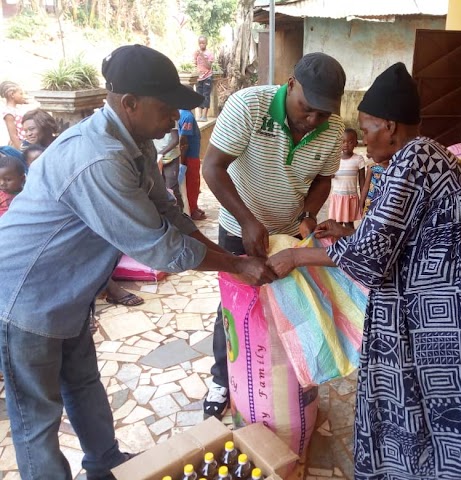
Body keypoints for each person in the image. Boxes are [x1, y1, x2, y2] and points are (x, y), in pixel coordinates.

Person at [0, 44, 276, 480]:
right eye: (166, 109)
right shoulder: (100, 159)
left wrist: (229, 255)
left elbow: (167, 213)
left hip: (67, 291)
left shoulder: (134, 141)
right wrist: (235, 266)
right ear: (129, 103)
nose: (174, 120)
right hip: (24, 296)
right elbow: (159, 246)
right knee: (37, 418)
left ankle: (106, 465)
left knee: (84, 383)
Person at [267, 63, 461, 480]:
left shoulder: (413, 157)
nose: (362, 137)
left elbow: (371, 256)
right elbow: (407, 227)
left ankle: (452, 471)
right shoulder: (425, 155)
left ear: (391, 126)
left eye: (367, 127)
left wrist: (295, 258)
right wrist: (349, 229)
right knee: (452, 396)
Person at [201, 52, 346, 419]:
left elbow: (323, 179)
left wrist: (309, 214)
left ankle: (281, 376)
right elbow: (213, 167)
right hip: (239, 229)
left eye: (323, 114)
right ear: (290, 83)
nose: (313, 120)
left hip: (289, 234)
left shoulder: (332, 129)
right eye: (307, 108)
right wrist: (248, 220)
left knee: (288, 304)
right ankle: (223, 377)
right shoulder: (249, 105)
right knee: (236, 308)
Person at [328, 128, 365, 228]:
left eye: (350, 142)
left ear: (356, 144)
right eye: (343, 141)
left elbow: (362, 181)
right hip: (337, 197)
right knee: (336, 225)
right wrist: (330, 175)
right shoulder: (335, 159)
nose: (346, 144)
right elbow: (327, 175)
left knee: (349, 224)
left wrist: (363, 199)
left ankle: (350, 243)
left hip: (350, 198)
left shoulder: (358, 159)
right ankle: (336, 243)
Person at [178, 108, 206, 220]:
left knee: (193, 183)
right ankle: (192, 210)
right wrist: (183, 160)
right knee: (192, 184)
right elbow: (183, 140)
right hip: (190, 156)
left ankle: (194, 206)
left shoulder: (185, 114)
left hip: (192, 155)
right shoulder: (187, 116)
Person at [154, 121, 184, 212]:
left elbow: (175, 140)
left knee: (172, 188)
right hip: (157, 158)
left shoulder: (169, 117)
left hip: (170, 157)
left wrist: (161, 153)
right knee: (160, 189)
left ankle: (180, 214)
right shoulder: (149, 117)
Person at [0, 81, 28, 149]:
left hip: (25, 141)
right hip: (19, 144)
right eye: (21, 94)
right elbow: (13, 135)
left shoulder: (16, 109)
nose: (23, 96)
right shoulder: (9, 113)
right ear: (12, 94)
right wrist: (20, 150)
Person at [194, 36, 215, 121]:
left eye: (203, 43)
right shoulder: (196, 53)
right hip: (199, 78)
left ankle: (204, 116)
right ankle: (199, 116)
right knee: (199, 96)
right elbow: (195, 64)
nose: (201, 44)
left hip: (207, 77)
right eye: (200, 43)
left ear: (206, 43)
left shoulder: (209, 54)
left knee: (206, 95)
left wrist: (202, 55)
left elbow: (209, 66)